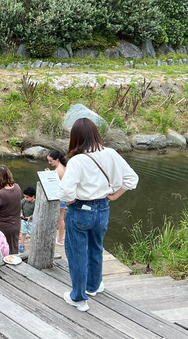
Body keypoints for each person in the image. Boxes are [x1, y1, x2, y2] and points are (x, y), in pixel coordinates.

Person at [57, 118, 138, 312]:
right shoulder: (110, 153)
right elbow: (132, 179)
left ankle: (79, 297)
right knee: (96, 247)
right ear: (95, 134)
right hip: (103, 208)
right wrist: (114, 196)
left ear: (75, 137)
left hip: (81, 210)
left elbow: (65, 193)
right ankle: (94, 286)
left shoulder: (76, 161)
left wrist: (70, 201)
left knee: (77, 253)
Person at [46, 150, 69, 246]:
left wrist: (48, 174)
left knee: (60, 219)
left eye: (51, 161)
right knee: (61, 218)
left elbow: (53, 183)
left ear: (57, 160)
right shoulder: (65, 167)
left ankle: (60, 239)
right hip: (65, 196)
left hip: (60, 197)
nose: (49, 163)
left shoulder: (58, 171)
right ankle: (60, 238)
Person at [19, 186, 36, 253]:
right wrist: (21, 213)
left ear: (33, 197)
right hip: (24, 220)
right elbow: (20, 207)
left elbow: (36, 213)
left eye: (27, 197)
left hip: (32, 221)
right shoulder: (24, 201)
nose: (25, 198)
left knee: (32, 234)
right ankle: (22, 245)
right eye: (25, 197)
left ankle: (33, 246)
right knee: (23, 233)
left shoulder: (36, 203)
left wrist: (30, 217)